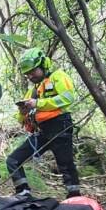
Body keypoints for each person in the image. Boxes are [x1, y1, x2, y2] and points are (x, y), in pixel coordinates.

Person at [6, 47, 81, 198]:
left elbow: (68, 98)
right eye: (27, 73)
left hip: (60, 125)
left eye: (33, 71)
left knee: (65, 164)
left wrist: (38, 103)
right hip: (42, 131)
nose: (30, 76)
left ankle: (74, 196)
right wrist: (23, 112)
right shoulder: (33, 90)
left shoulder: (58, 76)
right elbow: (20, 118)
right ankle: (23, 192)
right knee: (13, 160)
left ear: (42, 65)